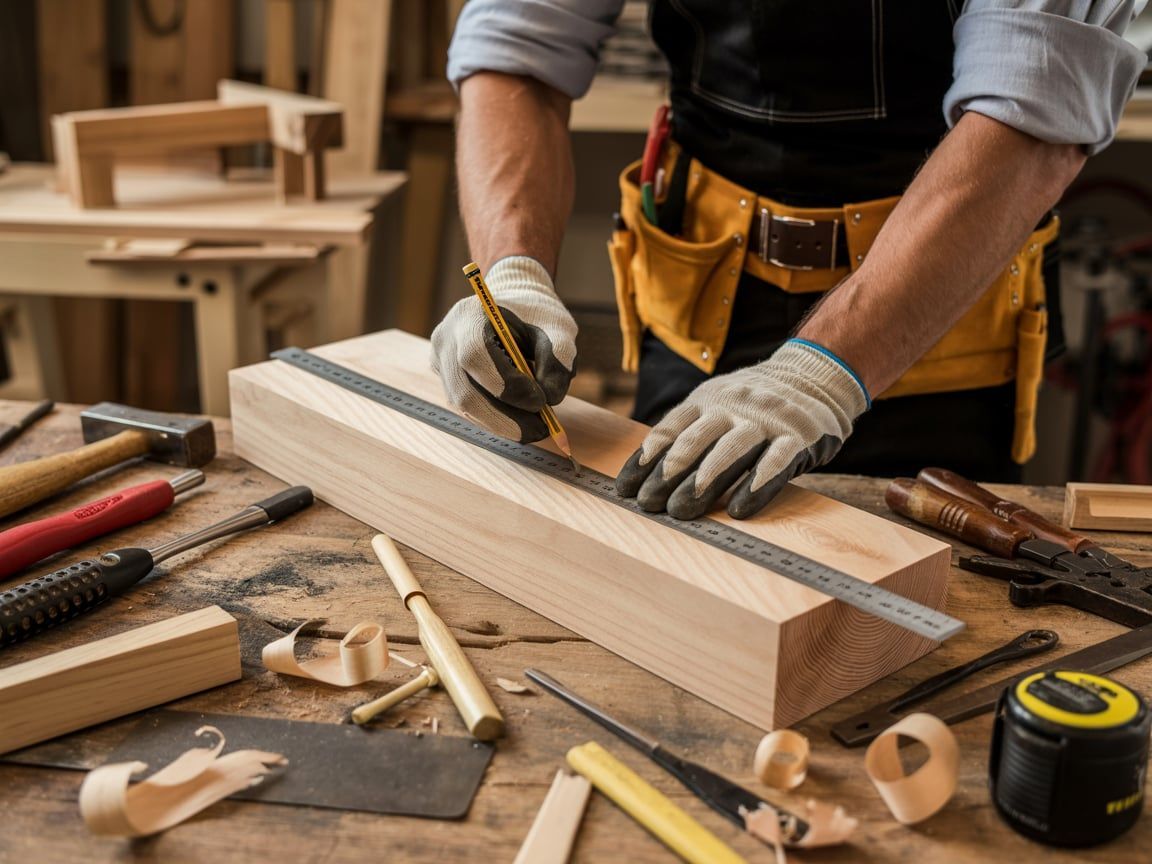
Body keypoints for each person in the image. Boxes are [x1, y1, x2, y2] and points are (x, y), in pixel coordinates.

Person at [432, 0, 1147, 520]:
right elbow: (517, 47)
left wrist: (820, 373)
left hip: (935, 316)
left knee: (912, 606)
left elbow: (1035, 110)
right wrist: (513, 273)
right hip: (700, 292)